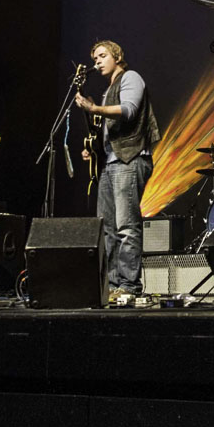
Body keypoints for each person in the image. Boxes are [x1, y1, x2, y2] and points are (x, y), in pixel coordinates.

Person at [76, 40, 160, 303]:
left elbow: (129, 110)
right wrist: (93, 148)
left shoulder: (131, 77)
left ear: (117, 56)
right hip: (111, 162)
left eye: (102, 56)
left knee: (126, 226)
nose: (97, 62)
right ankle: (112, 286)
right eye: (95, 58)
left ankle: (129, 285)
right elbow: (107, 130)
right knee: (107, 228)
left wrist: (94, 109)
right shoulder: (108, 89)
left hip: (130, 159)